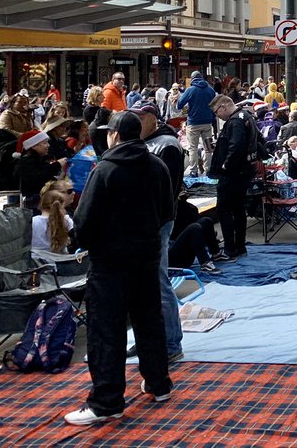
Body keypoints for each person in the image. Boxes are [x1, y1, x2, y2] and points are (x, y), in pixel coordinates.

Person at [67, 111, 173, 425]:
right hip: (146, 255)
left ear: (114, 134)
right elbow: (168, 210)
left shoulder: (106, 169)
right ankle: (158, 382)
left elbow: (85, 220)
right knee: (148, 320)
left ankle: (107, 401)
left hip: (111, 261)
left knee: (106, 330)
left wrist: (76, 241)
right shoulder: (156, 165)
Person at [132, 101, 185, 367]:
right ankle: (145, 340)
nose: (137, 123)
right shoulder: (141, 143)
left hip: (158, 221)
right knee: (141, 284)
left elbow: (168, 187)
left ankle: (171, 343)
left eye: (141, 117)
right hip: (140, 221)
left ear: (152, 118)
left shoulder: (167, 145)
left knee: (158, 281)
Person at [208, 96, 258, 260]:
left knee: (224, 209)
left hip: (233, 173)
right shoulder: (244, 116)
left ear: (223, 107)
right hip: (243, 171)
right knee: (237, 208)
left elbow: (236, 146)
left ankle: (231, 247)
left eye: (216, 112)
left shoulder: (235, 121)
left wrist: (226, 165)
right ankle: (239, 245)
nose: (217, 116)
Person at [175, 72, 216, 176]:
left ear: (192, 79)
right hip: (207, 122)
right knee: (208, 148)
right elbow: (215, 105)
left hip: (193, 123)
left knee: (192, 147)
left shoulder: (190, 90)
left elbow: (179, 105)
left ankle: (193, 171)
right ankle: (208, 170)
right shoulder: (210, 90)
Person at [17, 130, 62, 211]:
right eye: (45, 143)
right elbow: (37, 180)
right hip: (34, 203)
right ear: (33, 146)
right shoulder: (26, 162)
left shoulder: (41, 159)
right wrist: (57, 165)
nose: (48, 145)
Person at [32, 182, 75, 253]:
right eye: (69, 191)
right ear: (61, 205)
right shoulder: (66, 220)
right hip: (62, 260)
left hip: (37, 261)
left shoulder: (33, 222)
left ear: (41, 204)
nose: (73, 193)